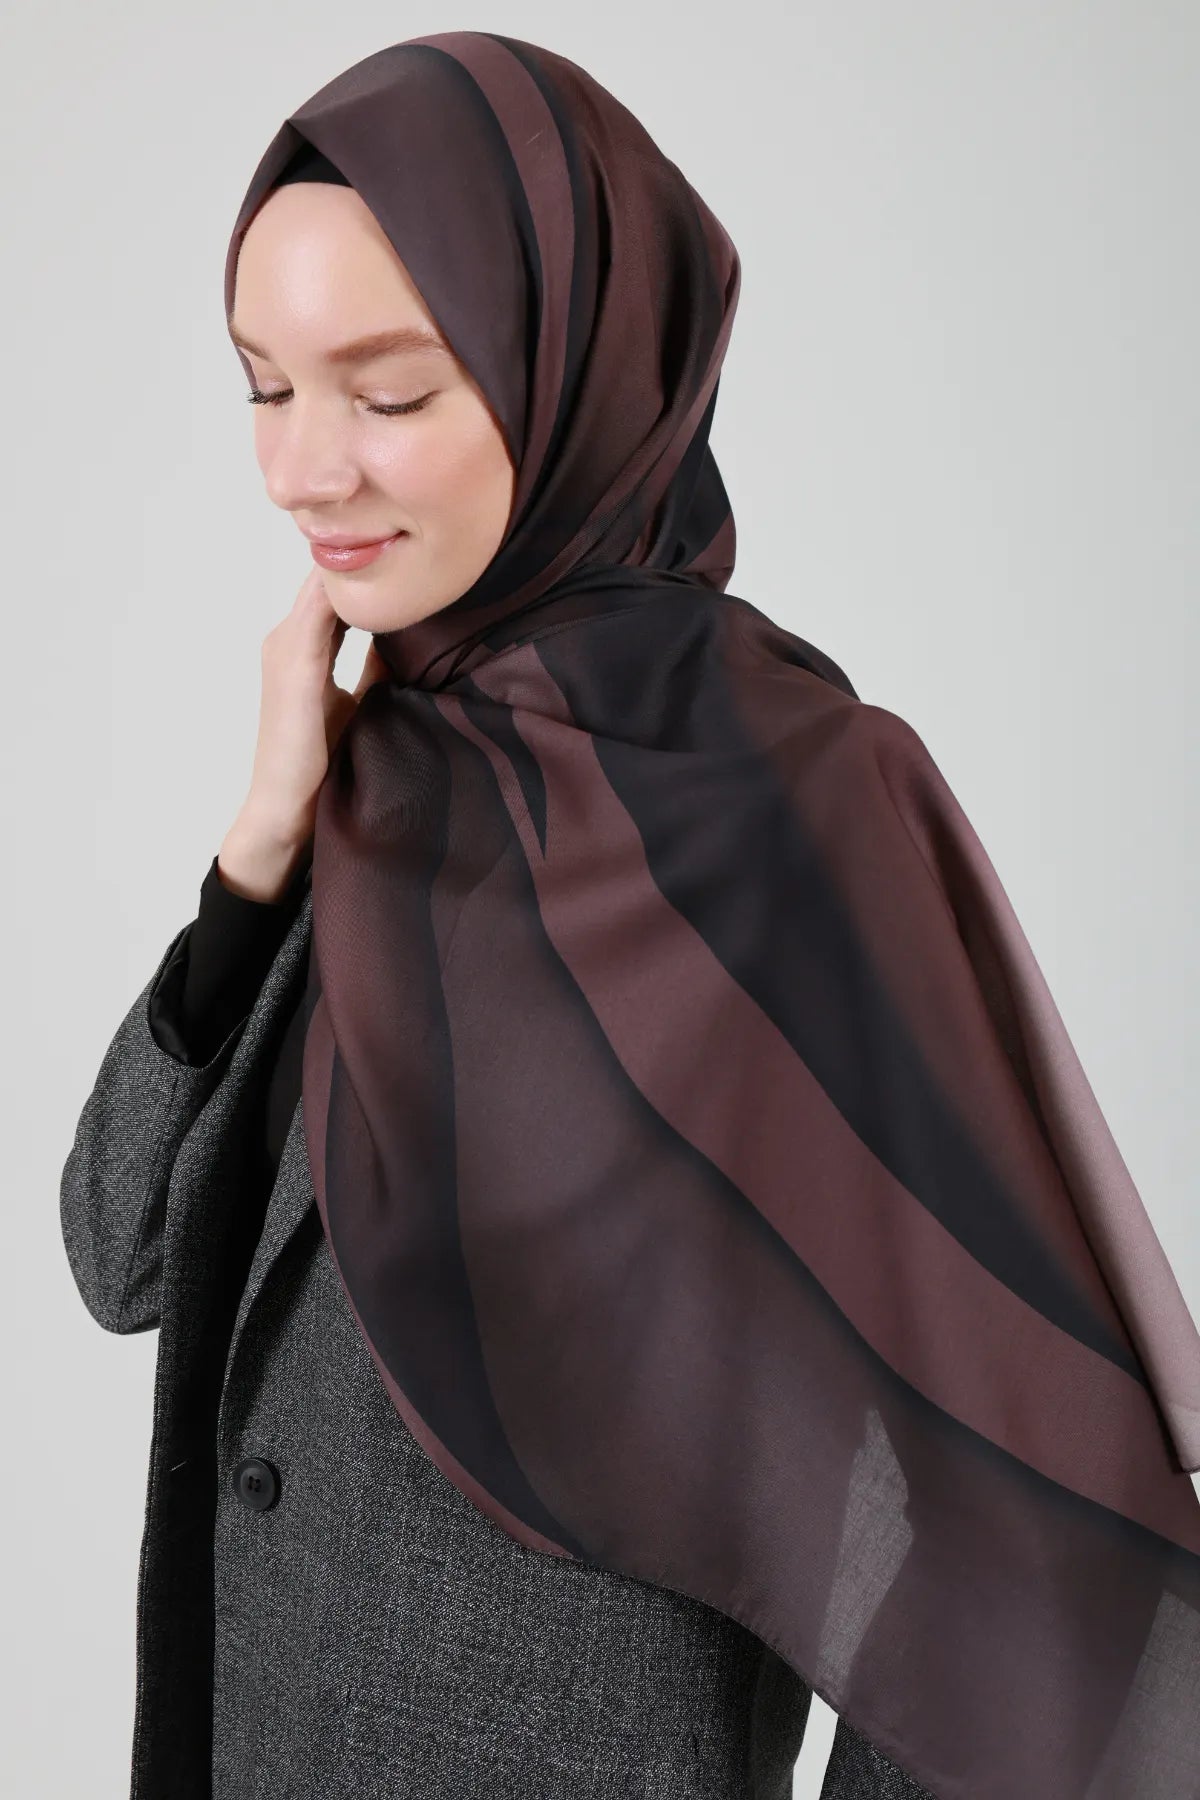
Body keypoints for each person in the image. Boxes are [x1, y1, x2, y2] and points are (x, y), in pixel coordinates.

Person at [60, 31, 1200, 1800]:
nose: (302, 472)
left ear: (577, 369)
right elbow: (119, 1255)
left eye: (389, 392)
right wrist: (256, 853)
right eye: (264, 387)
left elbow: (1019, 1566)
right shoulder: (386, 769)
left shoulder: (786, 814)